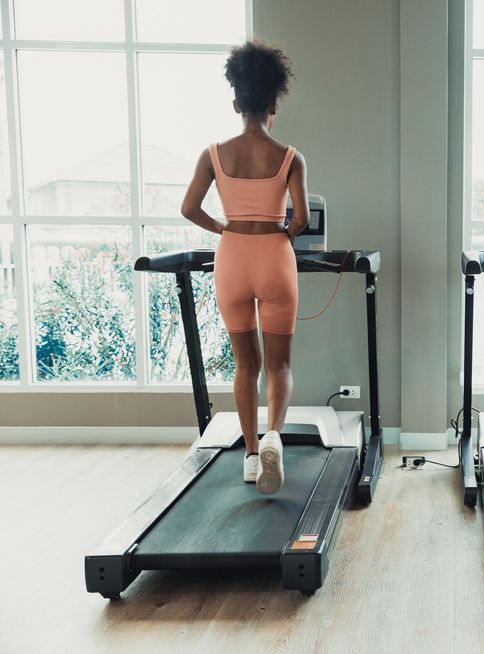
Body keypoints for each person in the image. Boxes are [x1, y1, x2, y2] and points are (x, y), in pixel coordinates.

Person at [180, 40, 309, 494]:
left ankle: (252, 457)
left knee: (244, 366)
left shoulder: (213, 154)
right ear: (274, 104)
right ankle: (275, 434)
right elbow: (302, 219)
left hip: (231, 257)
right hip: (274, 256)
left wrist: (224, 230)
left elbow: (189, 208)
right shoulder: (291, 156)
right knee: (280, 367)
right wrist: (280, 238)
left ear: (236, 102)